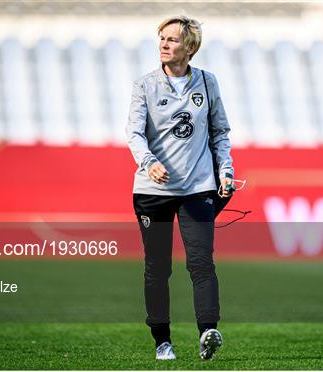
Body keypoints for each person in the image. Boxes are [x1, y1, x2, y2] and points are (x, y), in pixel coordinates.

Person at [126, 15, 234, 361]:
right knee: (158, 267)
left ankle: (208, 331)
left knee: (201, 262)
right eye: (161, 38)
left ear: (189, 47)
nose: (163, 44)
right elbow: (134, 134)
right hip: (152, 191)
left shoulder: (207, 82)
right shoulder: (144, 85)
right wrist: (148, 162)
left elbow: (219, 132)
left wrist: (226, 171)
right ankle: (162, 340)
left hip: (197, 187)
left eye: (172, 39)